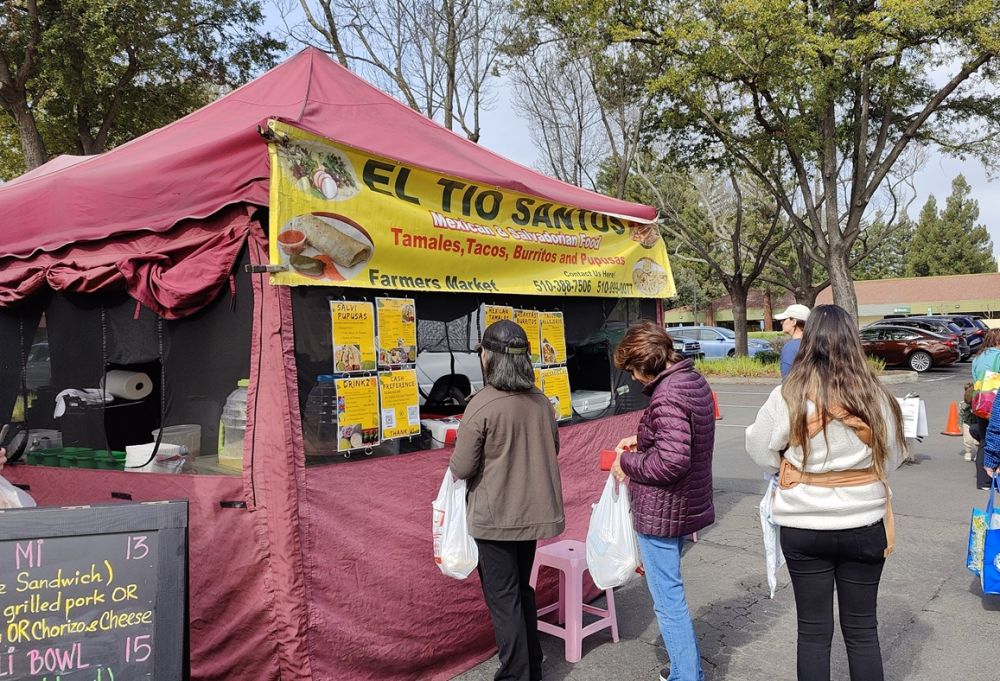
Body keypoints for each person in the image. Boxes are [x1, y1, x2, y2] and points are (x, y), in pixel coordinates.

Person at [745, 304, 906, 681]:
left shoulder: (788, 394)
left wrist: (785, 468)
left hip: (803, 523)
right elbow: (894, 456)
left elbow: (758, 446)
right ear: (852, 341)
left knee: (813, 632)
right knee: (863, 630)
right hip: (865, 523)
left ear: (809, 341)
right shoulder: (876, 395)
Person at [449, 320, 564, 681]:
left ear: (489, 357)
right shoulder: (541, 401)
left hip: (495, 518)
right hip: (531, 515)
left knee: (504, 599)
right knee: (521, 591)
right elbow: (554, 448)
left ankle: (516, 674)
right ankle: (532, 666)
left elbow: (461, 467)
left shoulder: (482, 404)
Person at [610, 321, 715, 681]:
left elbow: (671, 461)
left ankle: (686, 676)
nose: (633, 378)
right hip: (683, 504)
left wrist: (627, 462)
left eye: (632, 370)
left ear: (646, 363)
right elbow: (680, 438)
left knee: (668, 600)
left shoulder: (667, 394)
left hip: (662, 510)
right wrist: (641, 440)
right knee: (671, 594)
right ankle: (687, 670)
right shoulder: (691, 379)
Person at [970, 329, 1000, 489]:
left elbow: (975, 378)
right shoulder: (998, 356)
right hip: (996, 403)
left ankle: (984, 481)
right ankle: (995, 477)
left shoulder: (978, 358)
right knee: (996, 437)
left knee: (984, 439)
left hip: (981, 403)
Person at [776, 304, 810, 378]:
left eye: (784, 319)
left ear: (793, 322)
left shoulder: (790, 348)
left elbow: (787, 378)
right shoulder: (815, 344)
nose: (781, 322)